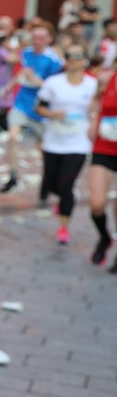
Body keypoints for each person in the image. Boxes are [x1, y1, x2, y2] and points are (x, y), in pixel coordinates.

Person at [35, 42, 96, 246]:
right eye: (69, 56)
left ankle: (63, 227)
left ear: (84, 61)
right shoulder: (53, 82)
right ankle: (60, 198)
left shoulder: (92, 85)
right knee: (53, 183)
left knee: (66, 184)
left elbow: (101, 107)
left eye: (77, 57)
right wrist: (53, 113)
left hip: (79, 143)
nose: (73, 61)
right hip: (54, 140)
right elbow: (40, 108)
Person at [0, 23, 64, 194]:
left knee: (43, 147)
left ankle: (48, 180)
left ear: (49, 39)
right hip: (22, 102)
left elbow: (54, 87)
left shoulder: (54, 61)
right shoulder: (26, 52)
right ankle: (13, 176)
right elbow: (23, 73)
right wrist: (9, 85)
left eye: (41, 38)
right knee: (13, 136)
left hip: (41, 108)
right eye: (34, 37)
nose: (37, 41)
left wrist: (34, 79)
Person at [88, 62, 117, 266]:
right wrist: (93, 120)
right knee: (97, 204)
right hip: (104, 146)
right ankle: (104, 238)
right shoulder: (107, 78)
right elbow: (96, 103)